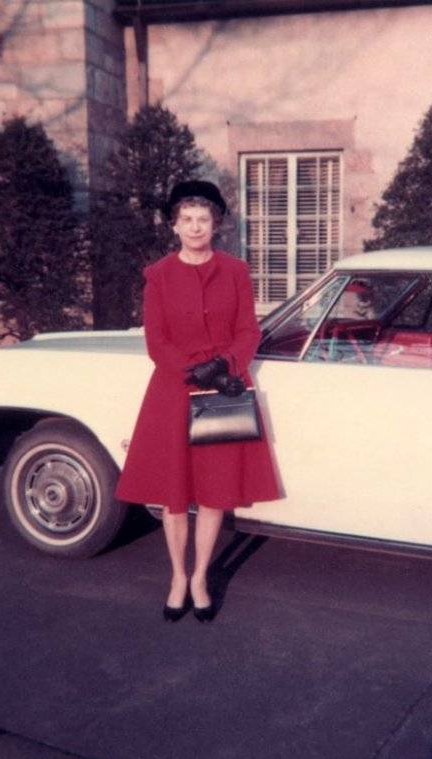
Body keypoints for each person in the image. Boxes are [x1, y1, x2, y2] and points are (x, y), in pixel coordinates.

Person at [115, 180, 281, 623]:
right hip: (173, 393)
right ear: (174, 226)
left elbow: (250, 330)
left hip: (223, 390)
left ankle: (201, 576)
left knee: (213, 491)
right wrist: (193, 369)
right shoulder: (159, 276)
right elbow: (157, 341)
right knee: (175, 495)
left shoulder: (236, 272)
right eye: (186, 220)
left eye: (203, 219)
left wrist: (224, 365)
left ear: (216, 224)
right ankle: (176, 576)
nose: (194, 227)